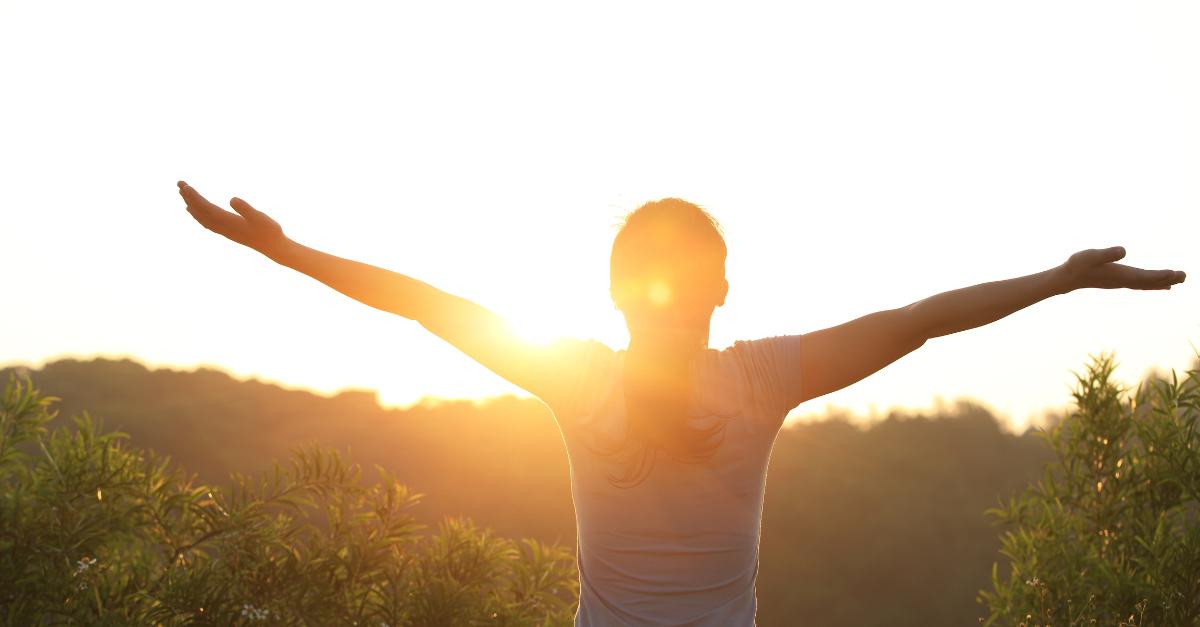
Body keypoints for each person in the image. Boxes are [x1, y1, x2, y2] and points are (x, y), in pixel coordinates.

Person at [175, 181, 1185, 626]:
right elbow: (921, 318)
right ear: (723, 290)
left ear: (616, 291)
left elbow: (431, 309)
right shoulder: (763, 378)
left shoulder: (580, 380)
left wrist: (286, 250)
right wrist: (1057, 279)